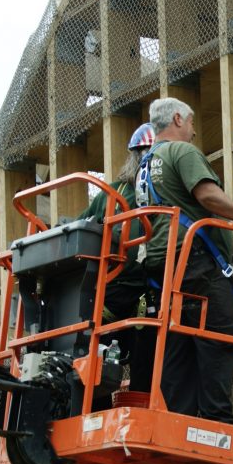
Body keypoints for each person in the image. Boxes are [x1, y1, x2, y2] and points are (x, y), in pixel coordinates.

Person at [141, 97, 233, 424]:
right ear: (176, 118)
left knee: (179, 347)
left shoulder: (147, 162)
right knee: (220, 336)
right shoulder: (182, 152)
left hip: (166, 268)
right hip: (197, 263)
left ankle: (177, 427)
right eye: (190, 122)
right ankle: (216, 426)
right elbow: (207, 196)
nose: (194, 131)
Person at [77, 122, 157, 393]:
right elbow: (81, 229)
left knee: (147, 356)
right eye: (144, 154)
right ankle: (93, 410)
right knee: (94, 360)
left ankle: (140, 403)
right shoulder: (113, 194)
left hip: (146, 295)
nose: (148, 162)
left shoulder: (167, 195)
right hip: (108, 295)